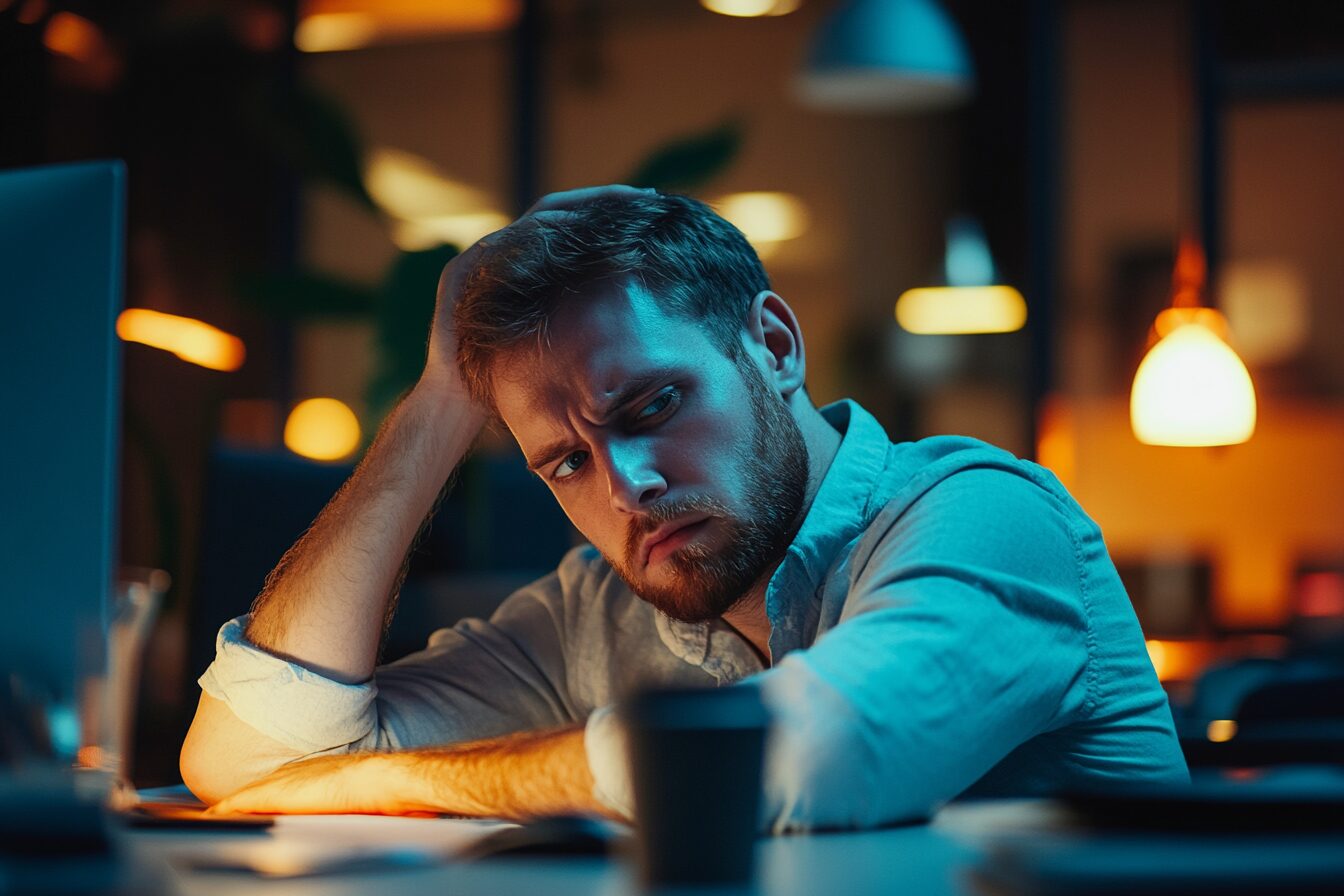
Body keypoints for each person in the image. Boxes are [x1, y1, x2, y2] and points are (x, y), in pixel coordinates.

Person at [180, 185, 1188, 831]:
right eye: (564, 460)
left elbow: (806, 755)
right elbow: (249, 758)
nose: (628, 485)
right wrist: (440, 405)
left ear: (776, 347)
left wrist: (393, 778)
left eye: (653, 404)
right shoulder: (599, 609)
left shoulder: (986, 511)